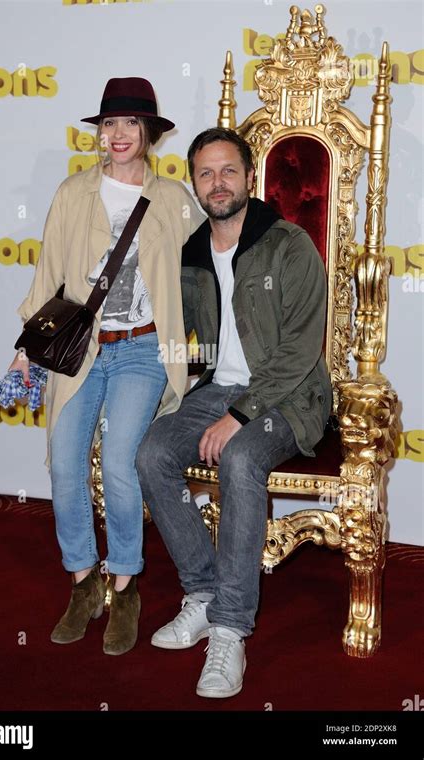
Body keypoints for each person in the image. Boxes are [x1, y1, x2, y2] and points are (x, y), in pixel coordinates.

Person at [9, 77, 204, 655]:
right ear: (101, 133)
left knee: (120, 464)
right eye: (110, 125)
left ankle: (126, 585)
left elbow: (206, 269)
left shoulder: (172, 200)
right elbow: (47, 275)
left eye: (130, 125)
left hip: (144, 348)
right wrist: (27, 347)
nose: (118, 135)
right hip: (80, 348)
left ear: (148, 135)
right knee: (64, 465)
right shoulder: (73, 193)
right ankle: (82, 583)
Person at [136, 127, 332, 696]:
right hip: (216, 392)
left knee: (241, 460)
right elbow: (194, 344)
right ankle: (201, 594)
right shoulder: (192, 252)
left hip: (290, 395)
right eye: (205, 173)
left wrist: (241, 413)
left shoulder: (288, 243)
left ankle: (229, 629)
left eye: (228, 171)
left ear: (250, 178)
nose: (216, 182)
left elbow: (300, 349)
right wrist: (171, 386)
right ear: (194, 182)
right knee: (151, 452)